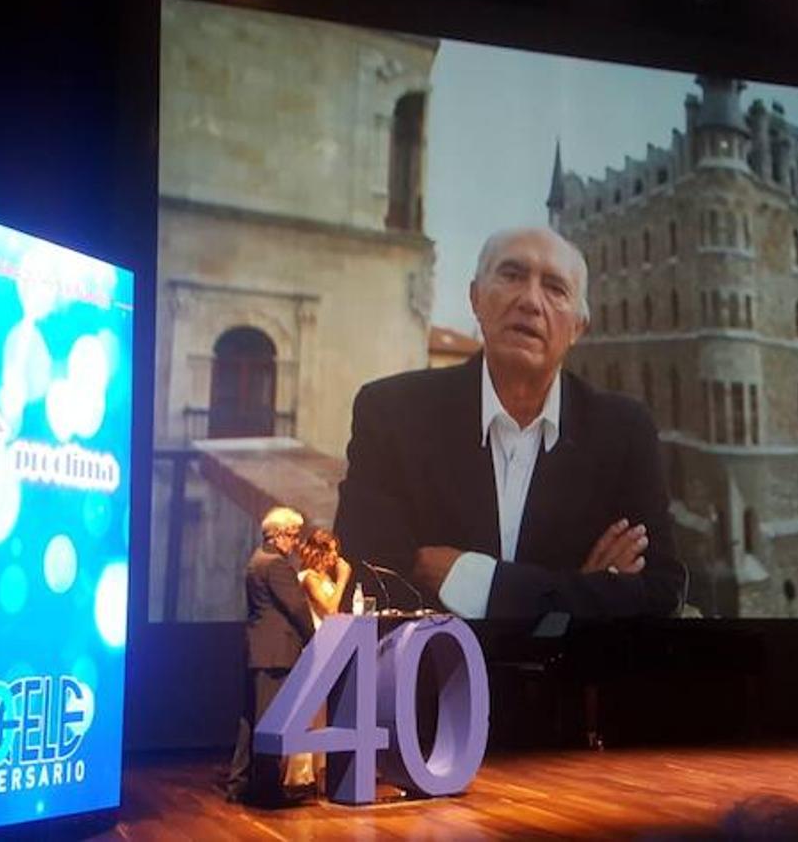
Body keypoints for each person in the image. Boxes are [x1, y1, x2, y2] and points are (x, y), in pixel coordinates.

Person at [334, 227, 681, 619]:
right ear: (476, 298)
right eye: (512, 275)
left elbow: (660, 593)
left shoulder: (623, 431)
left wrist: (478, 581)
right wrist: (578, 590)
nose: (531, 301)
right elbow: (366, 575)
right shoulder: (391, 412)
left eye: (555, 288)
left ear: (577, 329)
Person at [221, 506, 317, 806]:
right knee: (270, 723)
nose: (295, 541)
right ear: (276, 536)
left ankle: (239, 785)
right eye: (292, 535)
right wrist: (313, 638)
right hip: (276, 653)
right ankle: (267, 791)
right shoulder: (276, 565)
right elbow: (298, 607)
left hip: (258, 651)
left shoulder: (256, 560)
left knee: (251, 721)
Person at [283, 528, 350, 789]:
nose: (335, 556)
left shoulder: (324, 578)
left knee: (322, 713)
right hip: (312, 648)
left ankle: (320, 771)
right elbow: (329, 608)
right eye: (330, 550)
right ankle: (299, 775)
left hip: (329, 647)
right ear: (317, 552)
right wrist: (343, 579)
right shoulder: (308, 578)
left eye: (336, 551)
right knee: (307, 711)